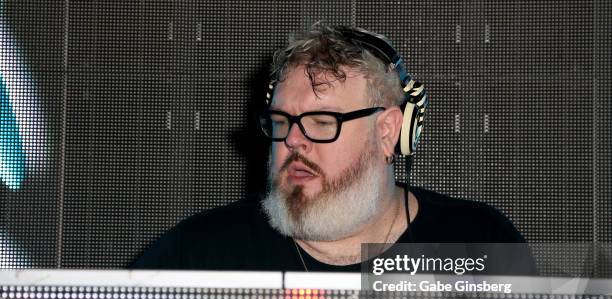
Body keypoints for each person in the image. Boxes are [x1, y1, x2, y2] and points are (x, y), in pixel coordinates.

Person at [131, 23, 525, 272]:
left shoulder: (480, 241)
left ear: (388, 131)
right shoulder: (197, 253)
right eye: (282, 122)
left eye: (322, 122)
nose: (292, 140)